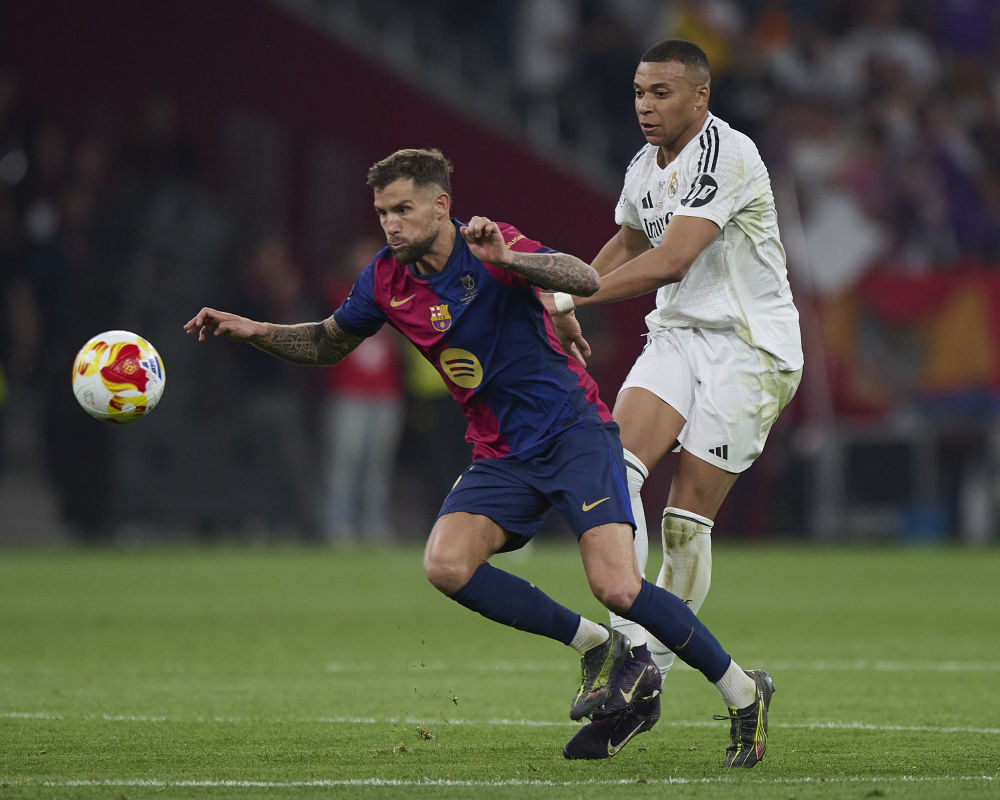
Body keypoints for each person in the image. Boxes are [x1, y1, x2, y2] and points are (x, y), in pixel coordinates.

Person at [185, 147, 774, 767]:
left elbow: (584, 279)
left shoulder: (489, 246)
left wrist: (510, 259)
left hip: (572, 433)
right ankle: (598, 646)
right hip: (501, 453)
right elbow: (329, 342)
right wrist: (256, 331)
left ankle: (743, 693)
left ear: (441, 205)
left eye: (403, 210)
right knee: (446, 564)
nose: (390, 225)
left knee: (618, 586)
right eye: (383, 212)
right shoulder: (384, 279)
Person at [544, 39, 801, 760]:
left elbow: (674, 257)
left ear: (700, 95)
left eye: (661, 92)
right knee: (613, 468)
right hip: (680, 335)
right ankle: (634, 661)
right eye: (638, 92)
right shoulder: (642, 166)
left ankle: (646, 671)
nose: (645, 106)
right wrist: (564, 290)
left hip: (748, 349)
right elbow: (631, 240)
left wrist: (566, 297)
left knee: (684, 525)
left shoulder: (728, 154)